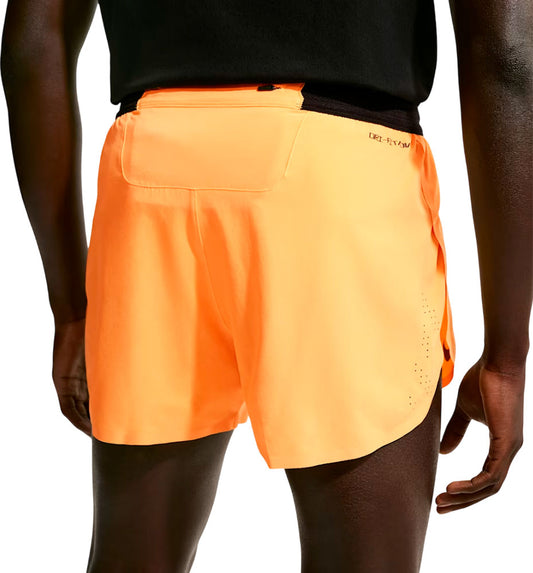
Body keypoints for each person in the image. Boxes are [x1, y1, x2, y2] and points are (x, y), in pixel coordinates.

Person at [1, 1, 530, 571]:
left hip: (147, 174)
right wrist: (505, 356)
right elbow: (505, 49)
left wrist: (71, 310)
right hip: (335, 172)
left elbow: (33, 42)